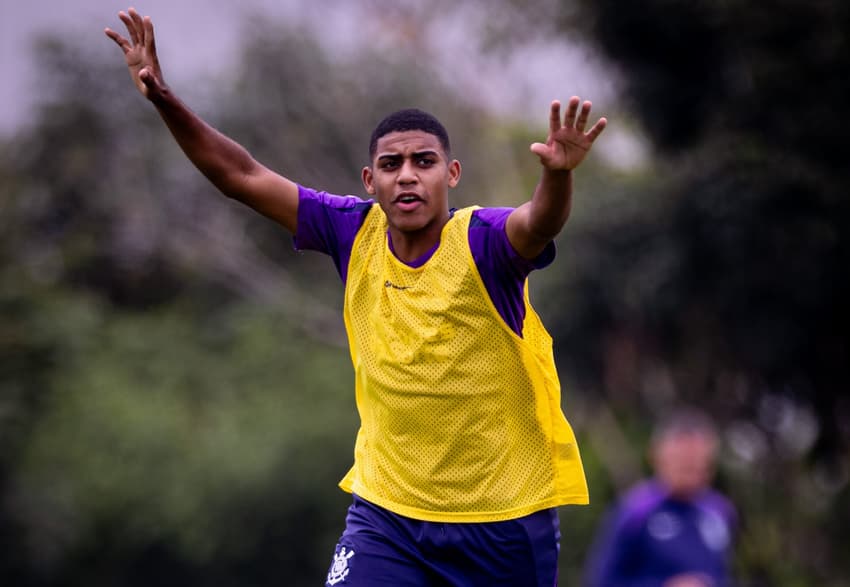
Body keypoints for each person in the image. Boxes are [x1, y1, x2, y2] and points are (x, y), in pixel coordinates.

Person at [106, 8, 607, 586]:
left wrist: (558, 176)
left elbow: (538, 224)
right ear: (370, 181)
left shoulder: (484, 242)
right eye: (391, 165)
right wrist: (163, 98)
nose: (407, 176)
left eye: (424, 162)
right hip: (388, 516)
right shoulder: (350, 229)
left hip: (502, 522)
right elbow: (240, 175)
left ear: (452, 173)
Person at [583, 408, 737, 587]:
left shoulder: (719, 512)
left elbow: (723, 574)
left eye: (699, 463)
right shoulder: (635, 512)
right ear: (657, 457)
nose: (692, 470)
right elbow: (601, 581)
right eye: (683, 463)